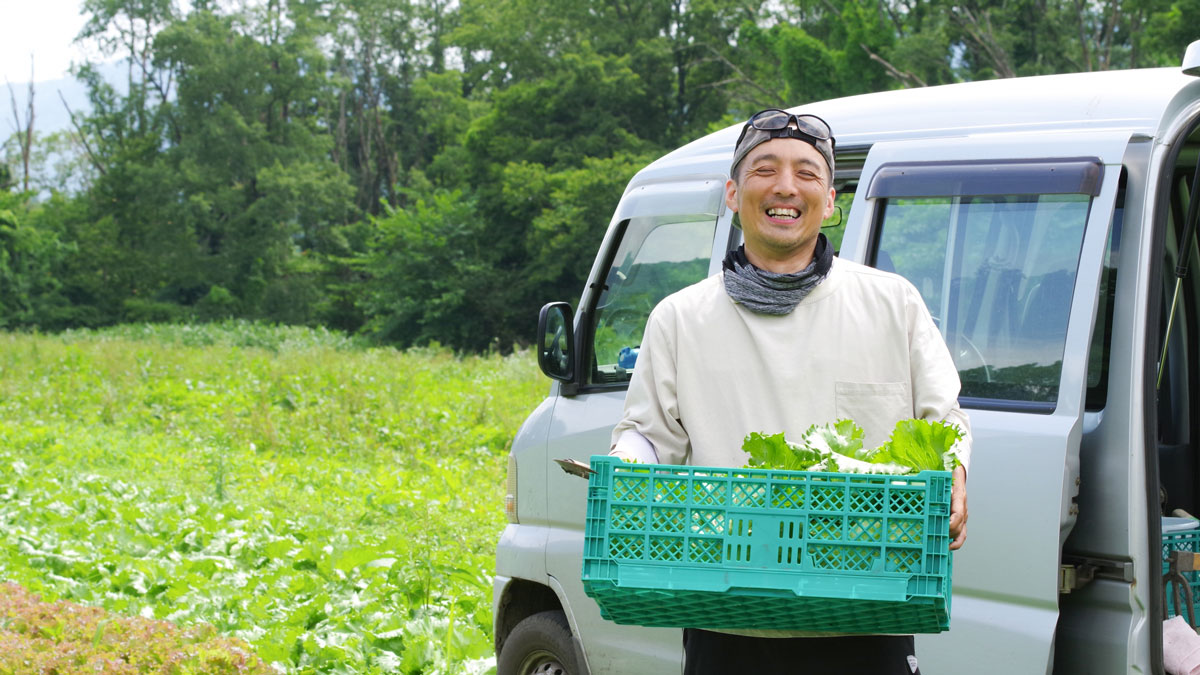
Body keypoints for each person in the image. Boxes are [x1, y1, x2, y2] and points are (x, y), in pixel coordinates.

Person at [609, 109, 971, 675]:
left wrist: (956, 475)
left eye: (807, 173)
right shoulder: (680, 318)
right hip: (727, 615)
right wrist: (624, 467)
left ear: (829, 201)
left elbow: (943, 419)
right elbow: (646, 437)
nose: (785, 187)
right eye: (764, 169)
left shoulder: (890, 303)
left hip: (865, 607)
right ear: (733, 192)